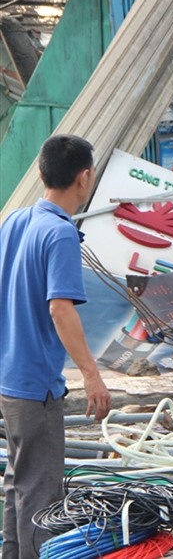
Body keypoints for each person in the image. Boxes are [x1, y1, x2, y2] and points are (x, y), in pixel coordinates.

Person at [0, 135, 112, 558]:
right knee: (41, 494)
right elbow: (60, 310)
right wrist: (92, 375)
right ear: (83, 178)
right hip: (36, 384)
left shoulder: (14, 220)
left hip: (9, 377)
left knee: (17, 483)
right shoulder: (61, 233)